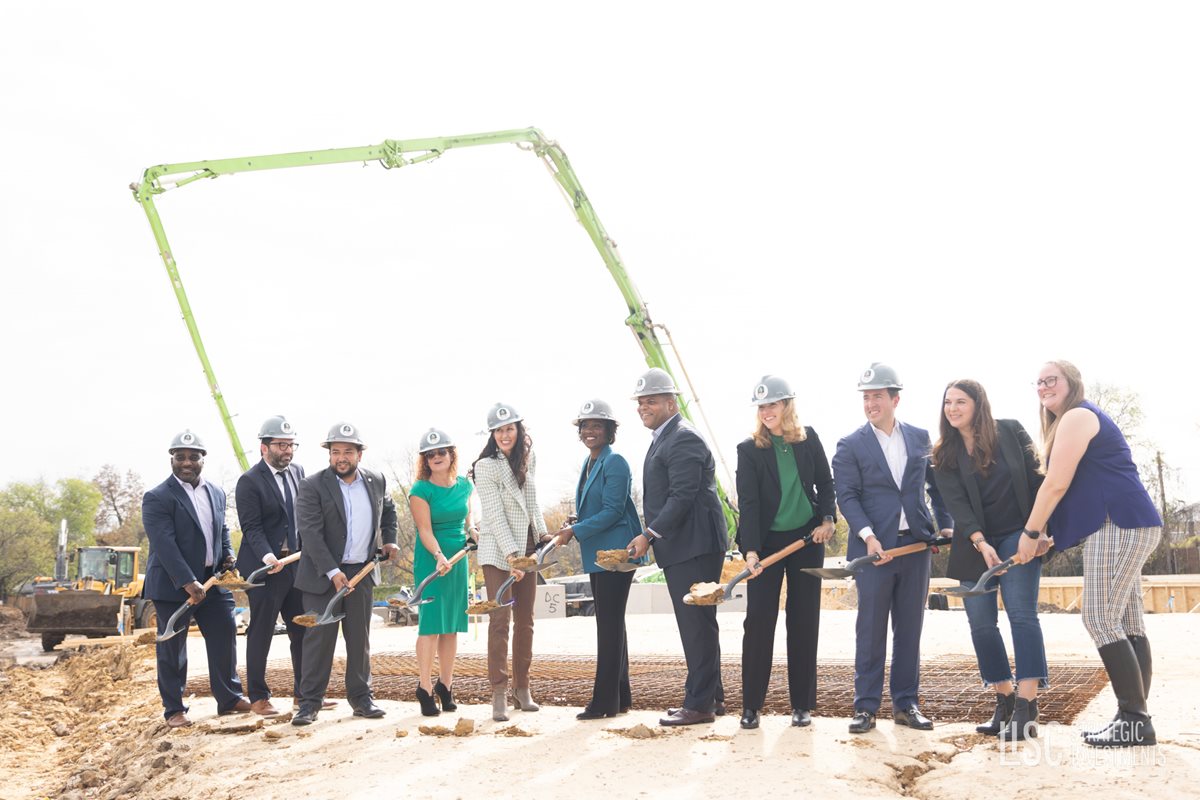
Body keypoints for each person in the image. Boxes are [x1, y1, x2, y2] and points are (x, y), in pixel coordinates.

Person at [1014, 361, 1162, 748]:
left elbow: (1057, 484)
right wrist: (1050, 536)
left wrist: (1031, 532)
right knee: (1127, 622)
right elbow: (1079, 491)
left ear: (1072, 383)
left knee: (1098, 616)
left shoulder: (1078, 415)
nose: (1044, 386)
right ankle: (1132, 716)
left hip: (1120, 523)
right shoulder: (1073, 419)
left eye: (1052, 379)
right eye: (1040, 382)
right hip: (1128, 522)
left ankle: (1135, 718)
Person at [832, 363, 953, 734]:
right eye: (866, 398)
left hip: (915, 547)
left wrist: (945, 522)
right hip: (874, 551)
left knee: (910, 628)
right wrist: (868, 535)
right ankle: (865, 708)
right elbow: (847, 498)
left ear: (895, 399)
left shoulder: (919, 438)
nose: (870, 404)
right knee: (870, 629)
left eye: (877, 397)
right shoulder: (850, 445)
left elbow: (937, 486)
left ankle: (906, 704)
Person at [930, 380, 1047, 741]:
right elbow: (957, 506)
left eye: (960, 401)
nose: (952, 408)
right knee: (981, 623)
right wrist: (980, 542)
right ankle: (1005, 700)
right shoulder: (943, 454)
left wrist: (1039, 530)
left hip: (1019, 534)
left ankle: (1027, 706)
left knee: (1021, 615)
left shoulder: (1010, 431)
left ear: (978, 404)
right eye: (948, 402)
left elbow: (1039, 479)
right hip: (973, 541)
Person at [627, 368, 728, 726]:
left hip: (694, 545)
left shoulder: (683, 438)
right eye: (640, 402)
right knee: (701, 623)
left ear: (671, 402)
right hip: (687, 545)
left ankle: (699, 705)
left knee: (696, 625)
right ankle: (712, 698)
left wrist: (648, 534)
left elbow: (681, 496)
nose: (644, 407)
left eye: (651, 401)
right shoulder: (664, 437)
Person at [735, 376, 835, 730]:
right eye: (761, 407)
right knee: (759, 620)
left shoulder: (808, 440)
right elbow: (747, 503)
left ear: (786, 406)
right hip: (766, 544)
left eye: (772, 405)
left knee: (804, 619)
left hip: (807, 539)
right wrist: (749, 551)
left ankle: (802, 705)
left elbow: (825, 482)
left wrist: (827, 519)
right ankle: (751, 706)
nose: (766, 412)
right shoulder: (749, 450)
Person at [291, 422, 399, 726]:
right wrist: (332, 571)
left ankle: (362, 699)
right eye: (335, 451)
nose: (341, 457)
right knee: (318, 639)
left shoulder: (375, 480)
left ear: (359, 455)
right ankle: (310, 703)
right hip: (321, 575)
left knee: (358, 639)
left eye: (348, 452)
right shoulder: (312, 485)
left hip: (362, 572)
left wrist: (389, 538)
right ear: (329, 454)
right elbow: (310, 532)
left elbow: (388, 509)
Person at [142, 430, 250, 728]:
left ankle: (229, 699)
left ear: (203, 459)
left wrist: (227, 555)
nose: (186, 463)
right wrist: (188, 581)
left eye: (193, 457)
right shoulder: (157, 497)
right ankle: (174, 709)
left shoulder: (215, 492)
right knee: (172, 648)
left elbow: (222, 530)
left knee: (224, 636)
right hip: (173, 584)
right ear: (172, 459)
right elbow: (164, 544)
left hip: (212, 581)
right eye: (180, 457)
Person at [549, 399, 645, 720]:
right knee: (613, 622)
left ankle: (604, 703)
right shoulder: (591, 463)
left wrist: (574, 532)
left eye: (597, 425)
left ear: (609, 430)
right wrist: (574, 520)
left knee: (608, 625)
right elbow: (595, 508)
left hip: (616, 555)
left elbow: (613, 511)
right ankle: (620, 697)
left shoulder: (615, 462)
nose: (590, 431)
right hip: (599, 555)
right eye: (585, 426)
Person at [235, 415, 321, 717]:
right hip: (265, 568)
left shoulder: (299, 473)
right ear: (264, 447)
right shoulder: (249, 482)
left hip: (297, 564)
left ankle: (304, 695)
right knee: (262, 630)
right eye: (281, 445)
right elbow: (252, 527)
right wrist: (267, 556)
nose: (287, 451)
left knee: (302, 629)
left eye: (291, 445)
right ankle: (258, 696)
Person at [472, 402, 548, 722]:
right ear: (492, 434)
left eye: (510, 429)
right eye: (499, 430)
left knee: (526, 620)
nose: (505, 435)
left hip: (527, 548)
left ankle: (523, 688)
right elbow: (495, 515)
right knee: (500, 620)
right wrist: (510, 556)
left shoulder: (529, 459)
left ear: (519, 430)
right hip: (497, 551)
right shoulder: (485, 466)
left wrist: (543, 537)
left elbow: (532, 503)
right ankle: (499, 692)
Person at [409, 428, 474, 717]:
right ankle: (424, 687)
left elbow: (468, 521)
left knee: (452, 625)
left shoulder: (465, 486)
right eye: (430, 454)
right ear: (425, 459)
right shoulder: (420, 490)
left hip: (458, 560)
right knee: (432, 625)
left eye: (441, 452)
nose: (436, 457)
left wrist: (474, 533)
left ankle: (445, 685)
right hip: (432, 560)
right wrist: (438, 556)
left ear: (451, 455)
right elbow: (425, 529)